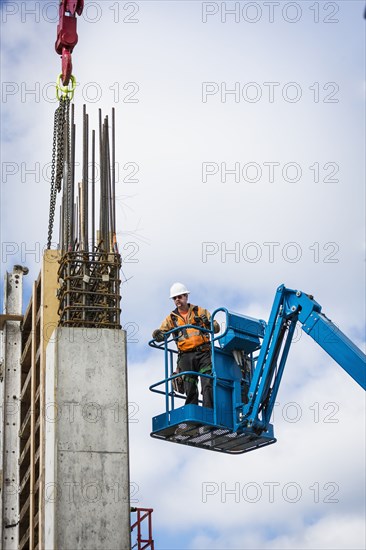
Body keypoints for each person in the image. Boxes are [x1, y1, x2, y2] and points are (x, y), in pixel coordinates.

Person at [152, 282, 220, 408]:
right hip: (185, 356)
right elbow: (161, 333)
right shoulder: (171, 318)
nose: (178, 300)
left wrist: (209, 323)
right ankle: (192, 411)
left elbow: (216, 329)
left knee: (207, 382)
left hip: (203, 353)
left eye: (180, 296)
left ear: (186, 297)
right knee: (189, 385)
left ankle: (208, 411)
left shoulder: (200, 311)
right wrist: (158, 335)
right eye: (175, 298)